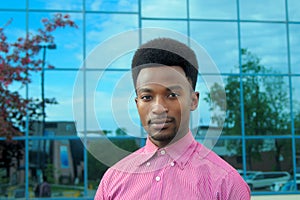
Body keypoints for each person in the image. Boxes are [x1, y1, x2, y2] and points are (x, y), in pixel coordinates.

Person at [95, 38, 250, 199]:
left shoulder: (227, 184)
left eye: (172, 95)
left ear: (193, 100)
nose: (158, 108)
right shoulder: (112, 180)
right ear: (137, 103)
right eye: (147, 97)